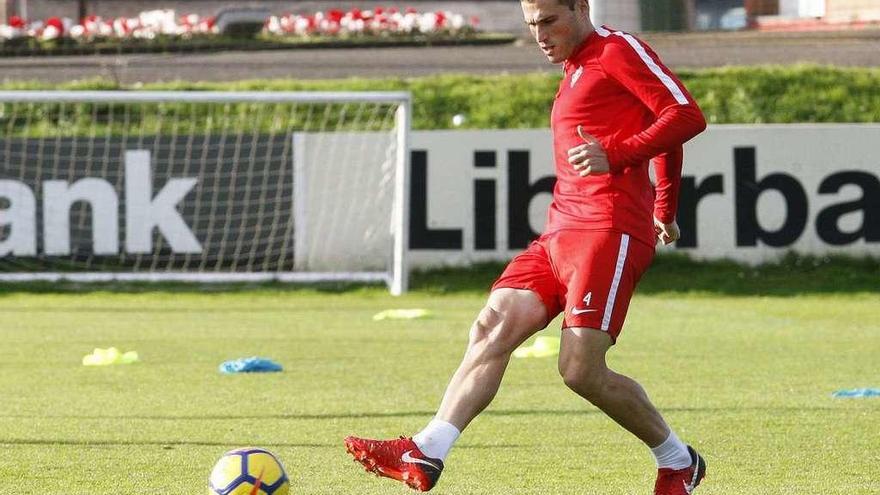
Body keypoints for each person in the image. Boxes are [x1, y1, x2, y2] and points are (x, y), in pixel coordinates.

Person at [344, 0, 708, 493]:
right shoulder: (575, 67)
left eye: (549, 21)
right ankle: (427, 450)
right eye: (531, 24)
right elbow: (657, 123)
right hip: (560, 231)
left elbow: (684, 115)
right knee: (491, 325)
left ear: (581, 8)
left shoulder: (618, 50)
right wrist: (665, 206)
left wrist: (639, 180)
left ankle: (677, 460)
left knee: (580, 370)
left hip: (608, 229)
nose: (539, 34)